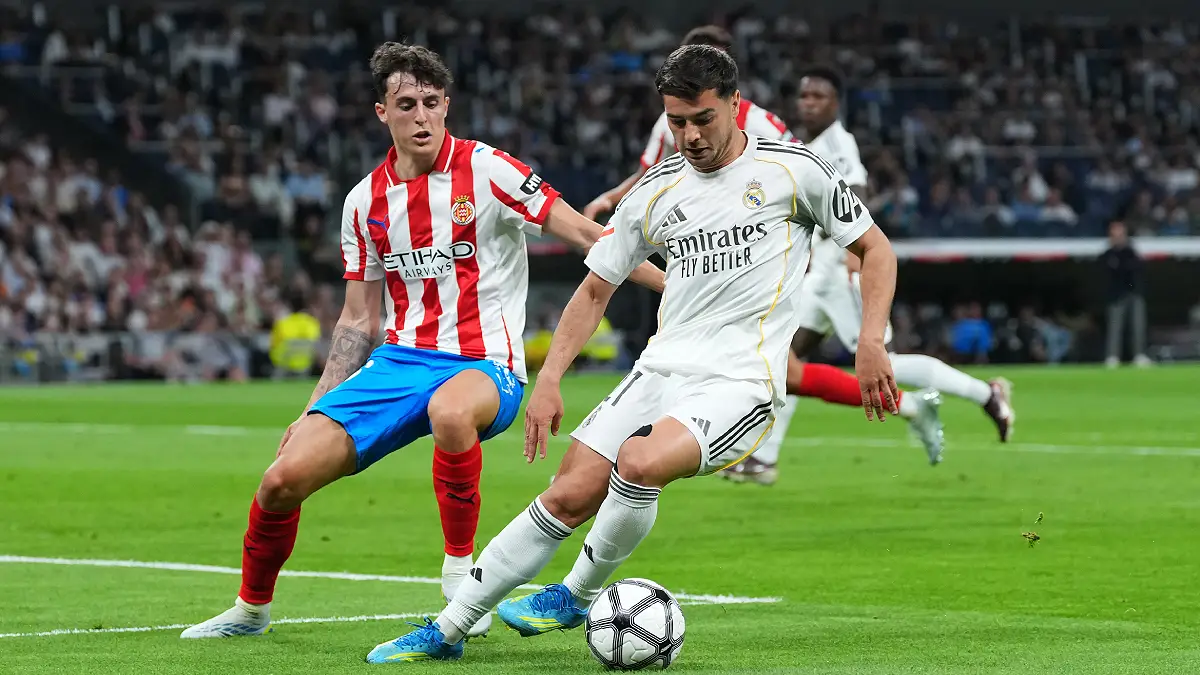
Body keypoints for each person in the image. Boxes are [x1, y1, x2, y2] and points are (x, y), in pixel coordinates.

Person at [367, 43, 900, 663]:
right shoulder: (655, 189)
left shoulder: (793, 171)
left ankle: (574, 594)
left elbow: (876, 249)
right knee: (568, 494)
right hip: (658, 369)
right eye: (676, 122)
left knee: (639, 462)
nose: (690, 136)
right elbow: (596, 288)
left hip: (739, 381)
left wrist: (870, 340)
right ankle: (448, 630)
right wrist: (549, 379)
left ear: (735, 105)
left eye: (703, 119)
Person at [180, 42, 664, 640]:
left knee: (450, 411)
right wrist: (313, 405)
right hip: (398, 364)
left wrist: (675, 285)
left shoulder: (488, 170)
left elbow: (590, 236)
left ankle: (460, 575)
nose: (421, 116)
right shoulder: (364, 202)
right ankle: (250, 610)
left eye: (432, 103)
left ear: (446, 106)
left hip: (486, 364)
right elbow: (358, 318)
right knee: (281, 479)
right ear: (381, 112)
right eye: (406, 104)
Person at [585, 26, 942, 478]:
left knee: (808, 363)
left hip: (777, 268)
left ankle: (952, 398)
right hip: (704, 273)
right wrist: (610, 199)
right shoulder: (669, 116)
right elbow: (647, 173)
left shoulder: (763, 125)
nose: (690, 130)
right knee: (789, 369)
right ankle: (894, 411)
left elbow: (802, 183)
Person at [728, 65, 1016, 485]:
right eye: (804, 96)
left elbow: (856, 193)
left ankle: (986, 395)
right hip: (818, 273)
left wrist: (856, 255)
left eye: (818, 97)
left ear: (836, 103)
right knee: (785, 361)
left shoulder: (838, 143)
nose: (808, 104)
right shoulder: (808, 144)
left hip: (839, 268)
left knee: (883, 362)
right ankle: (763, 460)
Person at [1101, 220, 1151, 367]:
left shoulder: (1132, 252)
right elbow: (1107, 272)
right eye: (1115, 234)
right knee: (1115, 327)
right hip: (1116, 295)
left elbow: (1137, 268)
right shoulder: (1108, 254)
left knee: (1138, 325)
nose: (1118, 237)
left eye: (1120, 234)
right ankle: (1112, 356)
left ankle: (1139, 355)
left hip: (1134, 292)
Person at [269, 292, 322, 377]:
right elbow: (316, 344)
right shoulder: (312, 323)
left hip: (283, 365)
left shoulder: (282, 323)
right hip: (305, 366)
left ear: (290, 306)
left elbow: (273, 345)